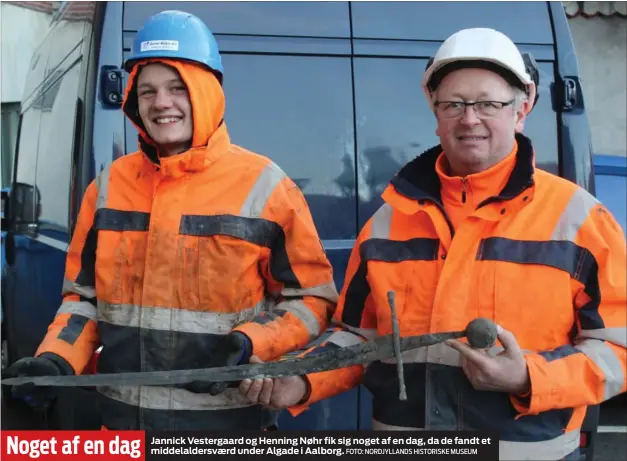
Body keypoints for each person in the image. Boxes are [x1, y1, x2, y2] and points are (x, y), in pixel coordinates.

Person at [240, 28, 627, 459]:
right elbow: (357, 337)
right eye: (454, 104)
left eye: (488, 104)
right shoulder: (388, 224)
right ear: (435, 111)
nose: (469, 118)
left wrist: (529, 378)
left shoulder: (580, 221)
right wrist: (303, 380)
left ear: (522, 108)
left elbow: (617, 348)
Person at [4, 10, 338, 431]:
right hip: (123, 430)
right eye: (147, 91)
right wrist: (56, 360)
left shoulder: (267, 188)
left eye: (177, 88)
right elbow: (83, 299)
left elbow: (312, 300)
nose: (161, 103)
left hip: (226, 432)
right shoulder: (108, 188)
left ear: (207, 92)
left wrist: (250, 342)